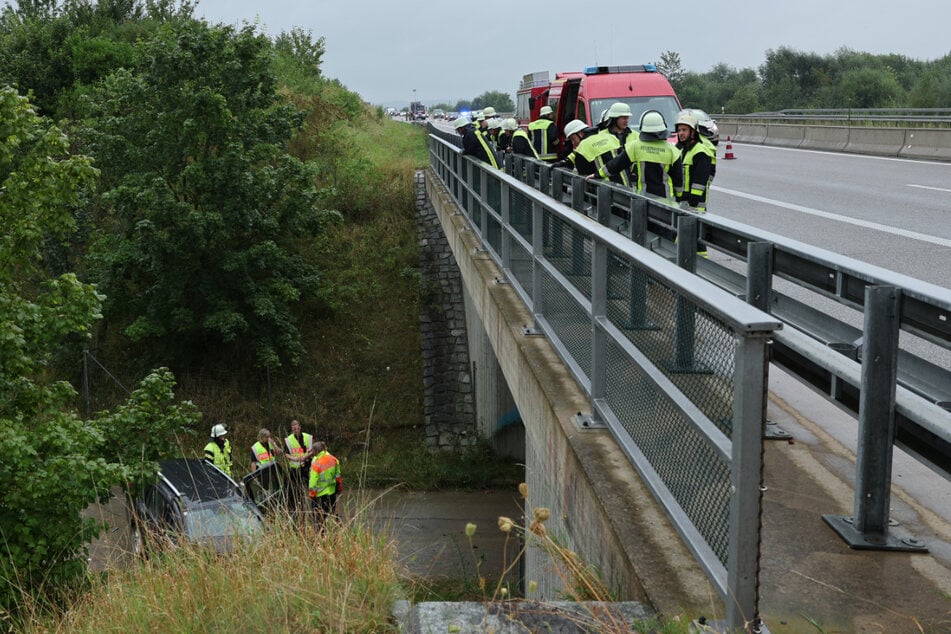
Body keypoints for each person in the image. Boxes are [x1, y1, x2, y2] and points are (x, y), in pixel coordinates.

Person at [600, 110, 683, 201]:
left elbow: (617, 164)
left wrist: (598, 174)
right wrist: (679, 197)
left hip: (643, 198)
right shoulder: (673, 151)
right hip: (667, 200)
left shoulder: (635, 146)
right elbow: (678, 179)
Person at [554, 119, 627, 186]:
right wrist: (565, 161)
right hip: (626, 187)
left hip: (605, 190)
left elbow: (582, 173)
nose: (573, 143)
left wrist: (563, 163)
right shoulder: (609, 136)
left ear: (581, 133)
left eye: (573, 139)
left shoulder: (583, 147)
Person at [675, 111, 716, 212]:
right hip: (682, 204)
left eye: (684, 130)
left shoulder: (701, 152)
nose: (680, 133)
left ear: (693, 132)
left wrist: (692, 204)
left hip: (695, 207)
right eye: (679, 130)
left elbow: (699, 183)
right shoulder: (682, 150)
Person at [309, 441, 343, 528]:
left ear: (316, 451)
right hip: (332, 492)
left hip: (320, 495)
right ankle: (337, 530)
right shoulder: (334, 459)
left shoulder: (316, 464)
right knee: (332, 513)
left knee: (319, 518)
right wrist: (339, 488)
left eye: (312, 451)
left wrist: (312, 495)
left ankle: (322, 535)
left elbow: (312, 483)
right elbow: (338, 476)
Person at [284, 419, 315, 512]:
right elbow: (286, 453)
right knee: (296, 490)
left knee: (312, 486)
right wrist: (294, 459)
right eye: (293, 429)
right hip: (295, 468)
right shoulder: (288, 440)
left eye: (296, 428)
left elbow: (313, 450)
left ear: (300, 427)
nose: (295, 430)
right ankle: (299, 508)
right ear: (292, 429)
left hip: (308, 466)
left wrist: (306, 457)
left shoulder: (308, 437)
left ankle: (315, 506)